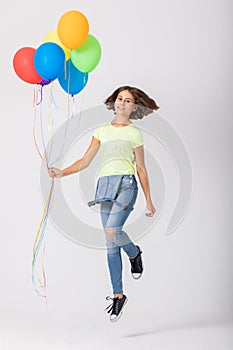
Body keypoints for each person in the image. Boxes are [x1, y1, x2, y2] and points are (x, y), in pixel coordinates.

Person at [48, 86, 159, 322]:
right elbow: (85, 161)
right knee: (110, 243)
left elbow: (141, 168)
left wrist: (149, 200)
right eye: (120, 98)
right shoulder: (101, 131)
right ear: (114, 102)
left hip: (127, 185)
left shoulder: (135, 134)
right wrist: (62, 172)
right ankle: (118, 295)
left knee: (112, 230)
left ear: (134, 107)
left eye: (128, 101)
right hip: (104, 187)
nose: (122, 103)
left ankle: (133, 252)